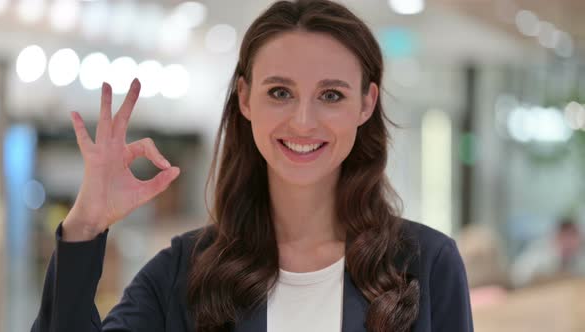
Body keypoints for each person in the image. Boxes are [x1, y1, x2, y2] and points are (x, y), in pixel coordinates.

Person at [31, 0, 473, 331]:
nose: (303, 121)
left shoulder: (427, 265)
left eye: (331, 95)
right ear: (244, 98)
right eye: (280, 92)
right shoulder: (185, 271)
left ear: (366, 103)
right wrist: (86, 224)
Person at [511, 217, 585, 288]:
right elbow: (517, 277)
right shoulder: (539, 252)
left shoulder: (579, 257)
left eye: (573, 237)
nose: (569, 242)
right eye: (566, 236)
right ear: (557, 237)